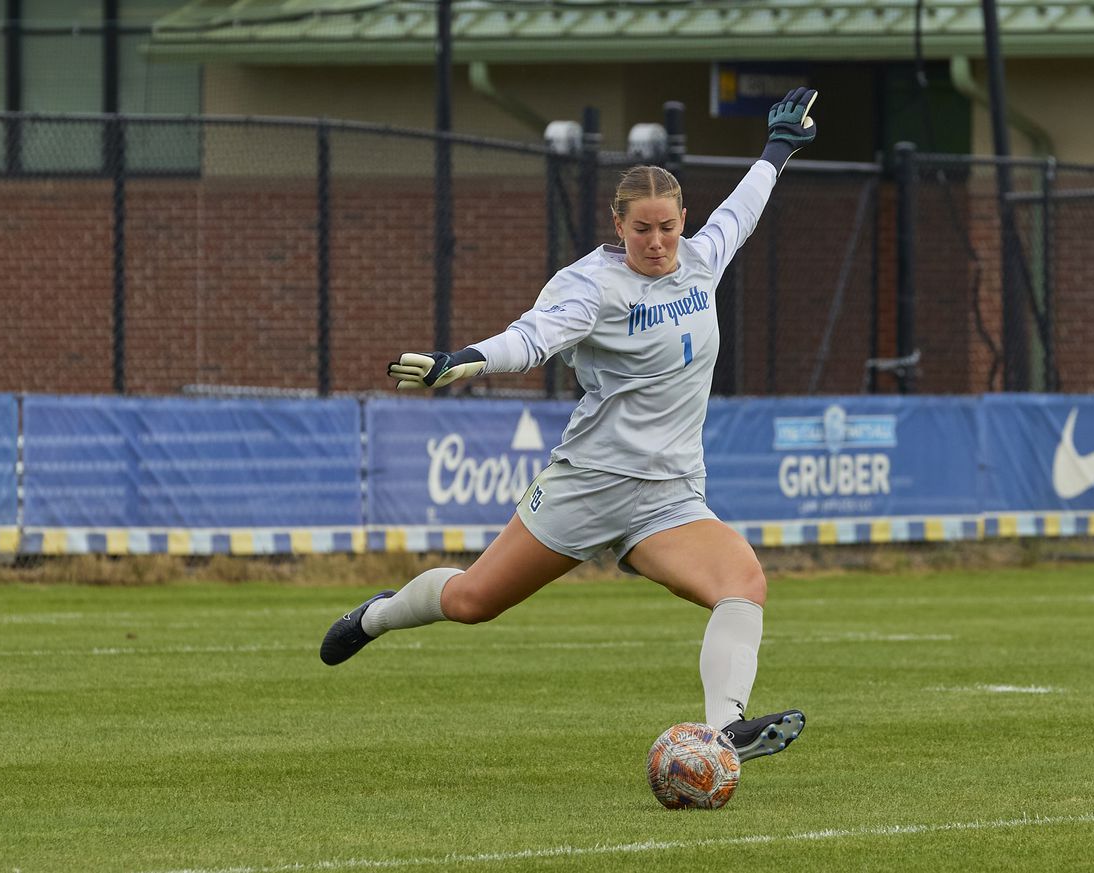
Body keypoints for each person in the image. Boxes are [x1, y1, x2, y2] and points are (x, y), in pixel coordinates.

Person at [321, 88, 819, 763]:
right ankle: (377, 614)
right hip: (589, 483)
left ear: (681, 221)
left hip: (668, 495)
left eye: (667, 226)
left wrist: (779, 146)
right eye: (641, 228)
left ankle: (723, 732)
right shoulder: (591, 286)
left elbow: (743, 209)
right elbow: (529, 340)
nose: (657, 240)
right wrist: (460, 362)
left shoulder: (700, 260)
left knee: (744, 582)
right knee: (472, 600)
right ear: (618, 225)